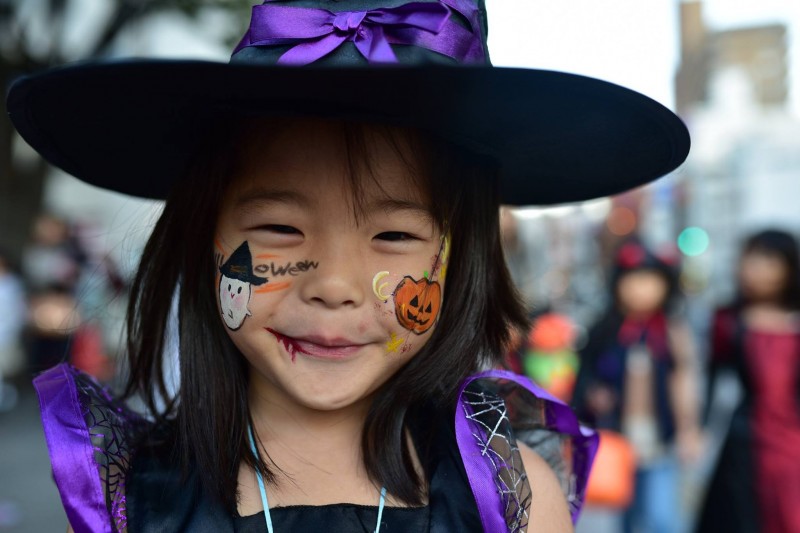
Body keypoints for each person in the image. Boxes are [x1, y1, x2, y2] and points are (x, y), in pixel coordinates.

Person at [8, 0, 690, 531]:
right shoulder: (126, 502)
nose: (333, 286)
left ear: (460, 258)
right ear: (203, 236)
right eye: (279, 227)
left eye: (393, 234)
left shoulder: (512, 502)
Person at [573, 239, 702, 533]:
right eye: (632, 281)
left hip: (661, 438)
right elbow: (583, 375)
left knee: (662, 517)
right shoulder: (604, 329)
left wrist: (689, 428)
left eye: (649, 281)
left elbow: (684, 378)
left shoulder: (671, 330)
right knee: (625, 518)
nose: (640, 289)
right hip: (618, 438)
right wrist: (592, 396)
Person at [696, 229, 800, 533]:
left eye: (768, 260)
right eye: (750, 259)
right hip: (747, 436)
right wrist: (701, 429)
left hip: (793, 438)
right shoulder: (729, 319)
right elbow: (713, 378)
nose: (756, 269)